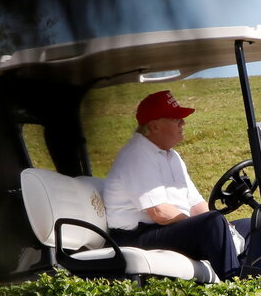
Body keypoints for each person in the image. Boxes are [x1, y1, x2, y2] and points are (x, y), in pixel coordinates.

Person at [103, 90, 241, 281]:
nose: (183, 123)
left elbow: (196, 204)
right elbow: (160, 213)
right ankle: (236, 289)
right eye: (176, 118)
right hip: (135, 237)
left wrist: (227, 228)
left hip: (162, 230)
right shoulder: (137, 155)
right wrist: (203, 226)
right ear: (154, 126)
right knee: (213, 223)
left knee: (247, 226)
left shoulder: (172, 156)